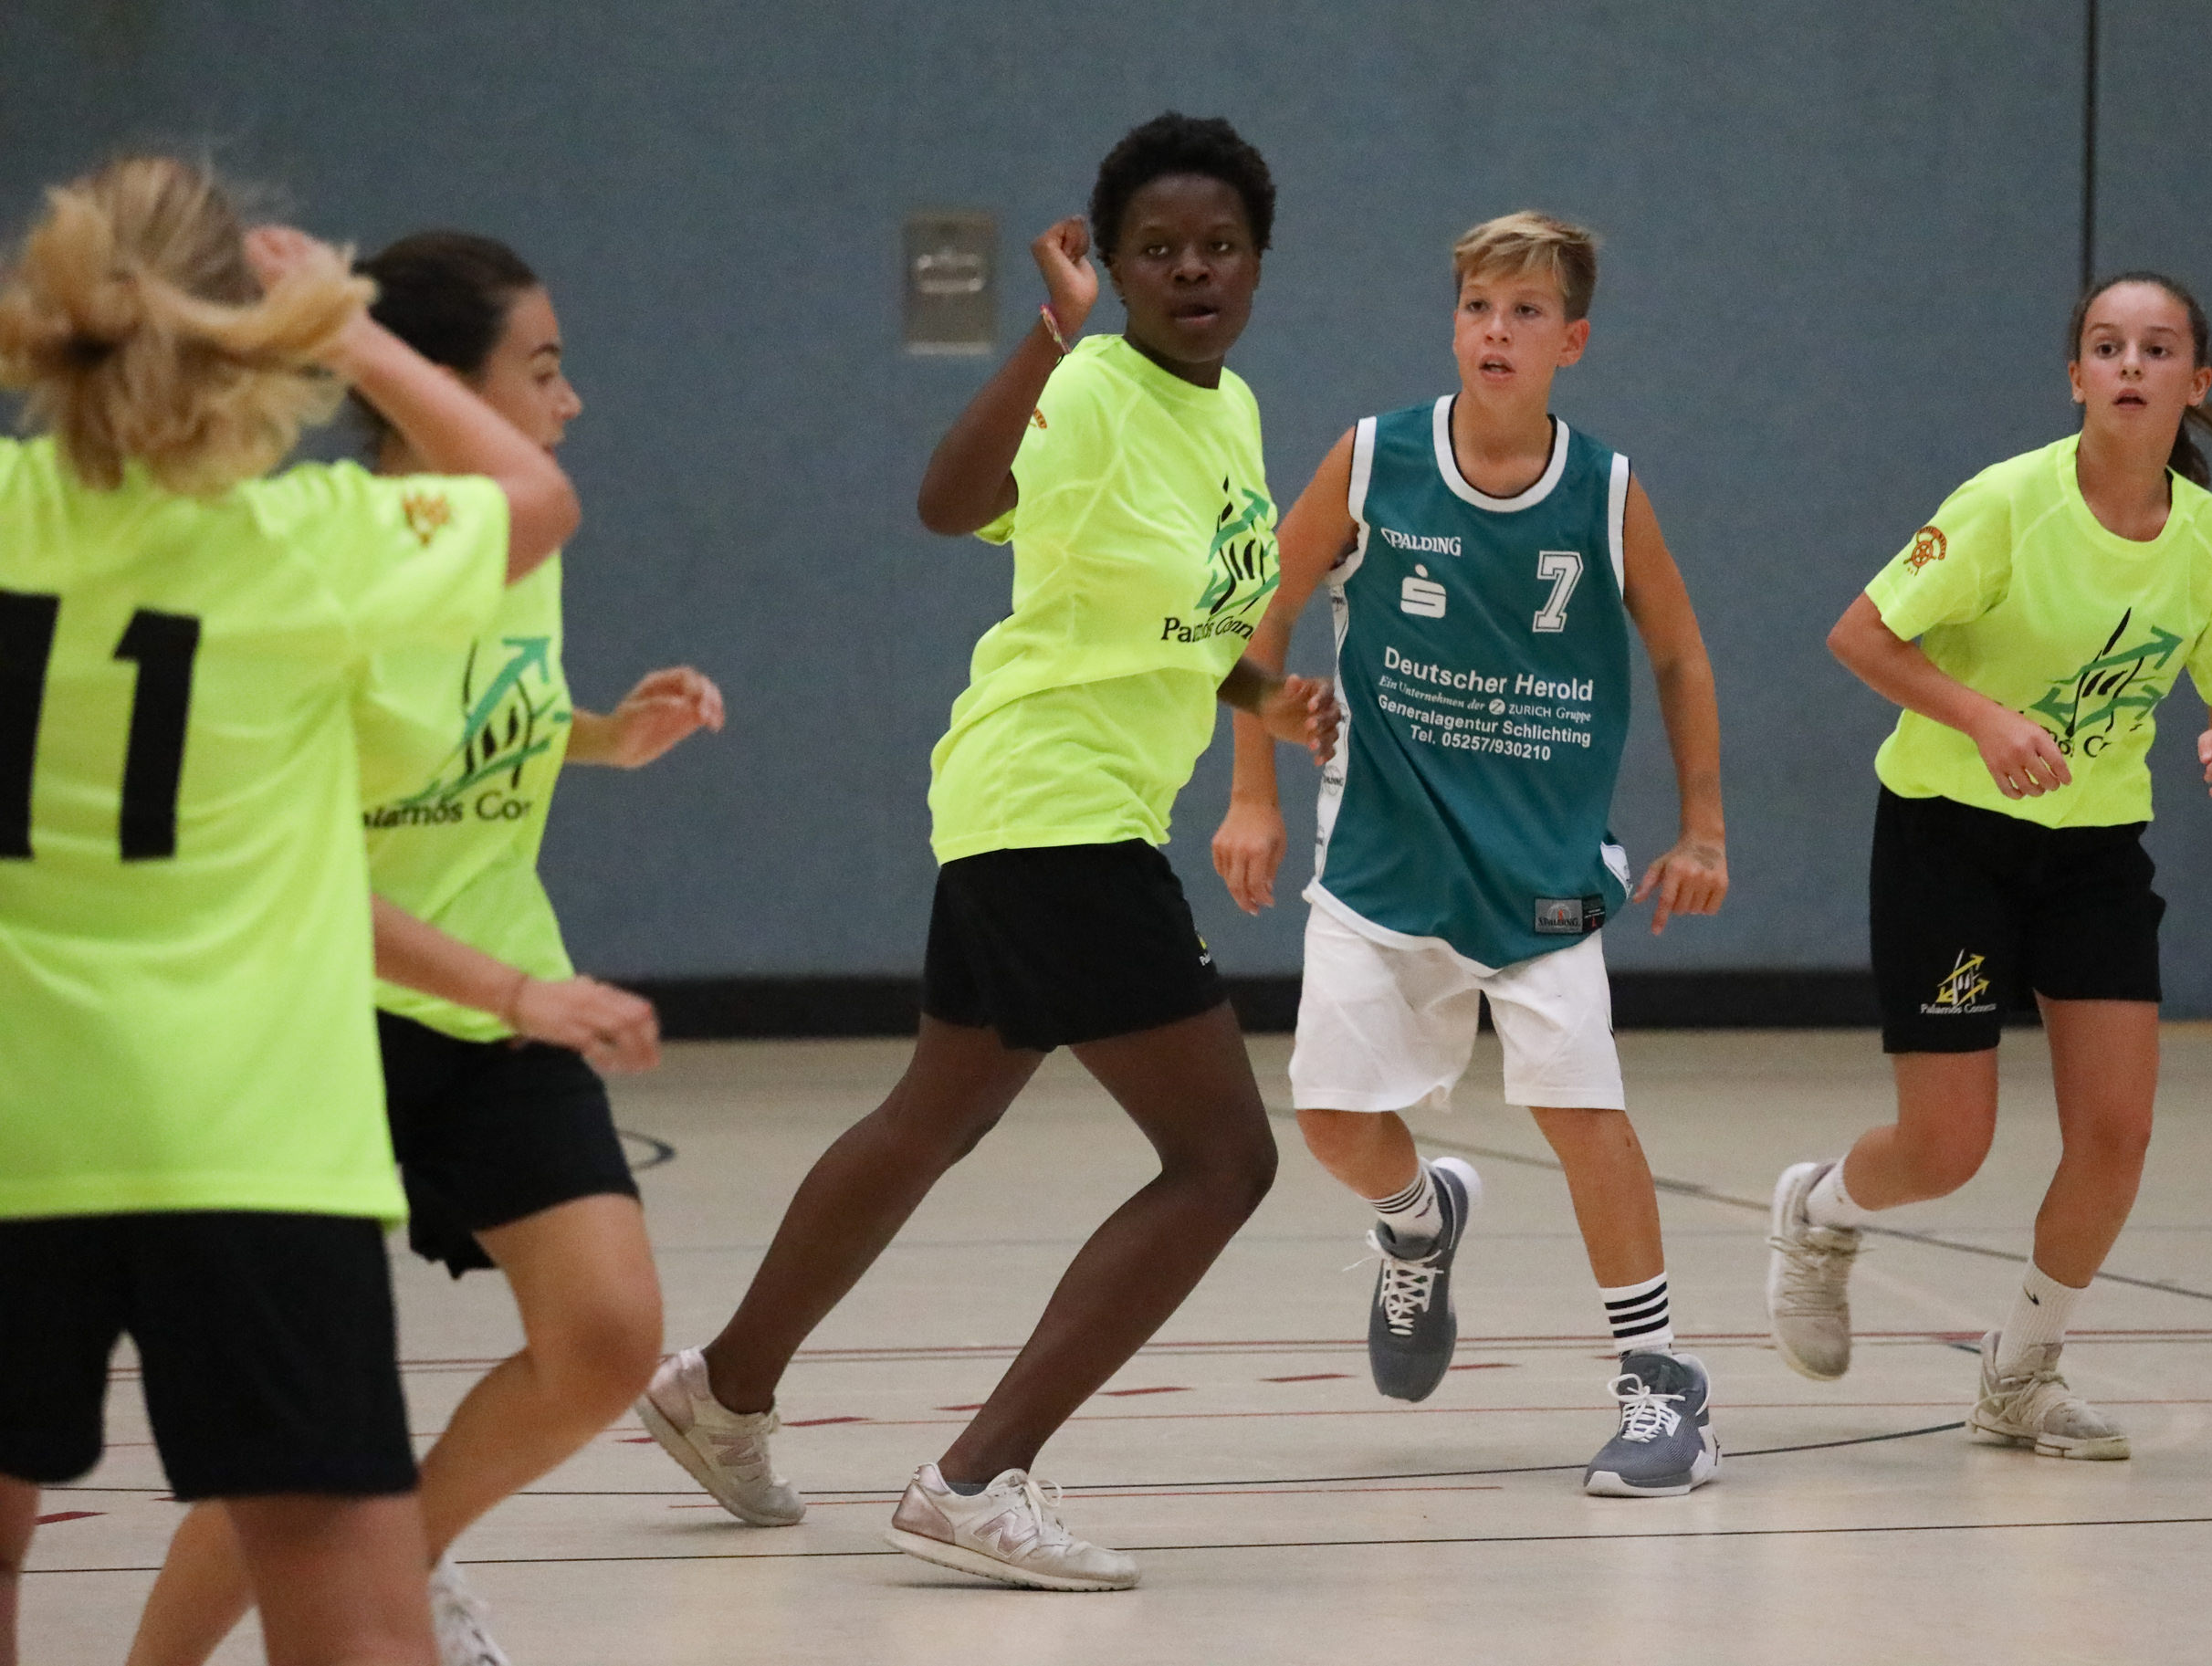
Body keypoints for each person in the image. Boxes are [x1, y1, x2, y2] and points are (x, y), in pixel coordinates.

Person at [634, 112, 1334, 1593]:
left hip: (1037, 807)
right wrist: (1046, 339)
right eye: (1158, 248)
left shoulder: (1231, 411)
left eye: (1219, 245)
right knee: (1222, 1159)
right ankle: (973, 1477)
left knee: (929, 1117)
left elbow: (1174, 620)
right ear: (1112, 267)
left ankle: (723, 1390)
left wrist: (1269, 699)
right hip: (1056, 809)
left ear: (1258, 263)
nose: (1192, 268)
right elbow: (948, 502)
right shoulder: (1088, 388)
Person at [0, 160, 577, 1666]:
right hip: (252, 1140)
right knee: (344, 1609)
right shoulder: (304, 543)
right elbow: (534, 499)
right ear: (258, 338)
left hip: (18, 1126)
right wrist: (357, 334)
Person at [126, 231, 722, 1666]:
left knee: (605, 1336)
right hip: (317, 1018)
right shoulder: (319, 562)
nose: (569, 400)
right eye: (542, 369)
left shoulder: (509, 546)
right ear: (429, 384)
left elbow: (472, 729)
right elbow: (286, 841)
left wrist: (601, 737)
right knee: (306, 1426)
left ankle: (404, 1565)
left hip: (497, 1000)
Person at [1212, 211, 1732, 1496]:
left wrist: (1704, 827)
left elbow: (1678, 654)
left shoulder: (1605, 489)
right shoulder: (1373, 457)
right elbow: (1262, 610)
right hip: (1382, 852)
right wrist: (1251, 793)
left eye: (1525, 312)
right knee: (1333, 1123)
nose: (1496, 331)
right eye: (1477, 308)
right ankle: (1418, 1217)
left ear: (1572, 341)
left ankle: (1662, 1381)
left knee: (1582, 1112)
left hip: (1540, 862)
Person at [1764, 271, 2212, 1460]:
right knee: (1946, 1148)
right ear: (2076, 376)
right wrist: (1985, 718)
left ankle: (2020, 1374)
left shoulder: (2210, 539)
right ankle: (1819, 1211)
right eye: (2107, 345)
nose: (2131, 365)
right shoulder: (2005, 504)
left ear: (2196, 383)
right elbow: (1859, 634)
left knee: (2117, 1132)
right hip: (1949, 835)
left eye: (2157, 348)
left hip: (2094, 849)